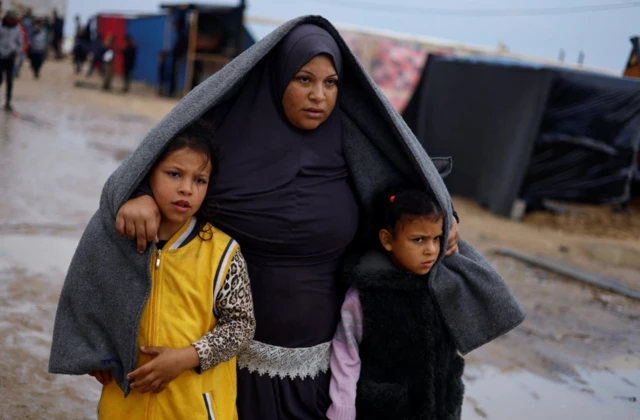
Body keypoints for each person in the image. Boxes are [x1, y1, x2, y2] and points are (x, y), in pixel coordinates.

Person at [49, 17, 524, 420]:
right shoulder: (224, 132)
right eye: (303, 79)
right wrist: (138, 198)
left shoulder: (354, 140)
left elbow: (404, 183)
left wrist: (443, 211)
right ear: (278, 77)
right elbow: (165, 169)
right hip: (220, 367)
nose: (319, 95)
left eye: (331, 82)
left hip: (325, 363)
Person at [51, 126, 256, 420]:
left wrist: (186, 358)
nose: (187, 188)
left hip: (196, 409)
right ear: (146, 174)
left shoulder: (223, 253)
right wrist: (96, 349)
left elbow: (241, 327)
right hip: (124, 408)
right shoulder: (119, 240)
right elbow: (89, 294)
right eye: (174, 174)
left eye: (200, 180)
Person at [327, 188, 466, 420]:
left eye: (436, 238)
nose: (431, 249)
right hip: (388, 411)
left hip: (440, 409)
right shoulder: (366, 295)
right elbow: (345, 355)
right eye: (418, 239)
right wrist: (342, 409)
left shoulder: (441, 282)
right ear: (387, 240)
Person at [0, 10, 23, 110]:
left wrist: (15, 52)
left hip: (10, 57)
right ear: (8, 18)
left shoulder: (17, 28)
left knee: (9, 80)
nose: (14, 21)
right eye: (12, 19)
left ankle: (8, 102)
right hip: (0, 56)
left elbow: (20, 43)